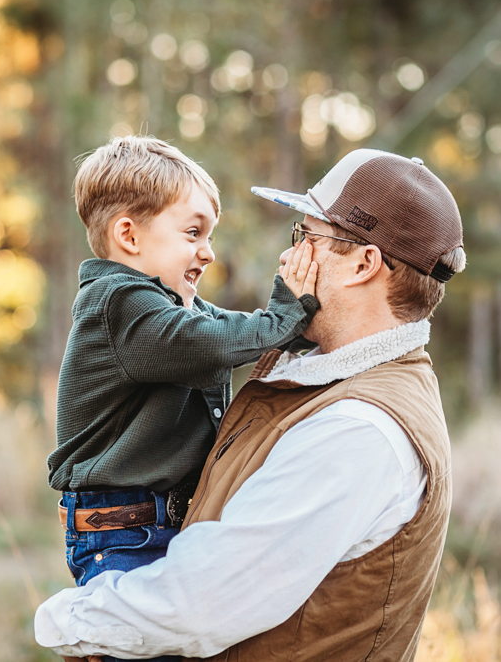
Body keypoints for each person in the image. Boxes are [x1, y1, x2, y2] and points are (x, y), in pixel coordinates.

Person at [36, 148, 466, 662]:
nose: (287, 259)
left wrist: (62, 621)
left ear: (363, 263)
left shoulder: (358, 428)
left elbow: (197, 605)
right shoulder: (328, 381)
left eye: (305, 238)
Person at [48, 135, 320, 662]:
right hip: (122, 535)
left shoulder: (168, 305)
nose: (208, 251)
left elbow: (223, 326)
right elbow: (208, 343)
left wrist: (295, 331)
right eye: (193, 232)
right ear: (128, 234)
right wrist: (286, 313)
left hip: (162, 524)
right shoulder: (117, 303)